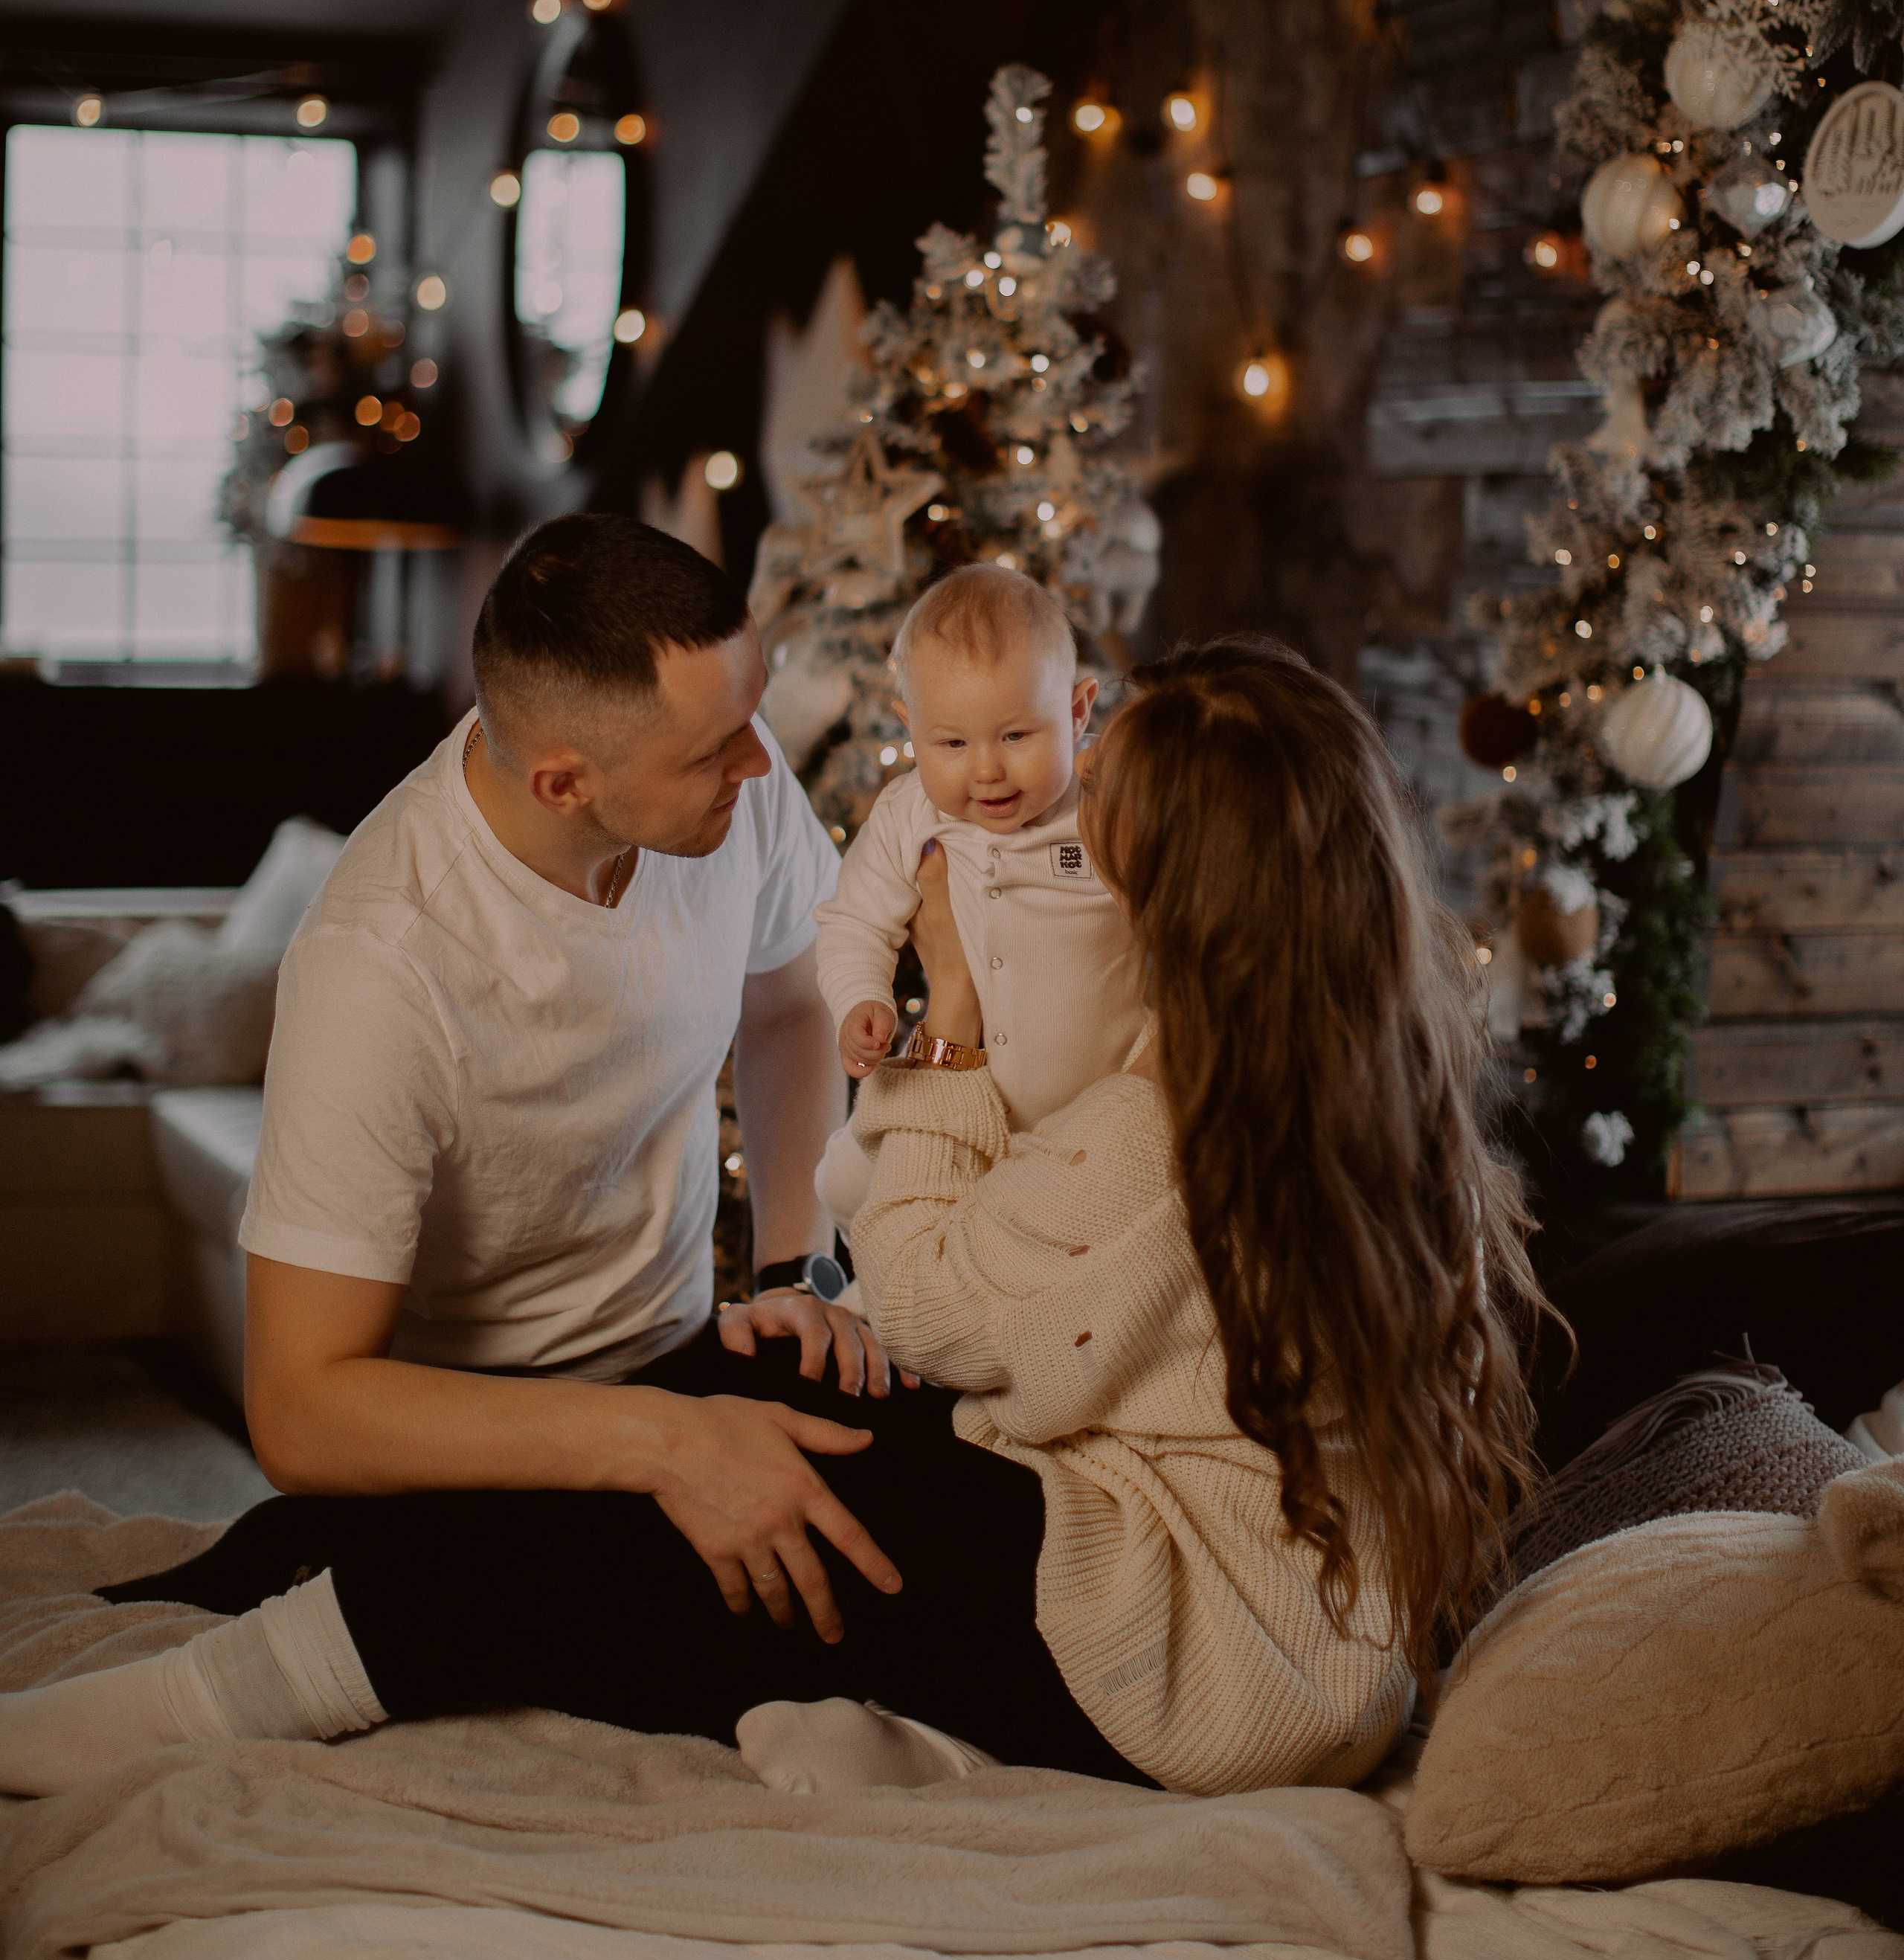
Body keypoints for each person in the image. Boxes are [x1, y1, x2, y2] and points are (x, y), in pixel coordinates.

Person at [0, 637, 1543, 1805]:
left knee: (700, 1509)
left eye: (1097, 832)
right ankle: (278, 1575)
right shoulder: (1351, 1081)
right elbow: (1065, 1330)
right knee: (752, 1390)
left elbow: (935, 1299)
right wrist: (842, 1315)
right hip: (1230, 1585)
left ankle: (215, 1689)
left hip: (1201, 1660)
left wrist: (946, 1022)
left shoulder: (1169, 1132)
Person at [242, 513, 916, 1634]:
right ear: (565, 785)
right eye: (714, 751)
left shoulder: (725, 773)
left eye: (750, 720)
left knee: (949, 1504)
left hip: (689, 1357)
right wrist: (663, 1448)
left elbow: (794, 999)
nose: (759, 763)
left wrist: (797, 1274)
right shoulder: (378, 967)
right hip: (484, 1444)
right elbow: (301, 1413)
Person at [811, 564, 1146, 1230]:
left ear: (1077, 712)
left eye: (1016, 736)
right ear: (911, 728)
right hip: (962, 1089)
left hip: (1093, 1104)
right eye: (953, 743)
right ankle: (867, 1277)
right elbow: (854, 925)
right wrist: (861, 999)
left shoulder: (1108, 801)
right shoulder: (909, 815)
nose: (988, 769)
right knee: (843, 1185)